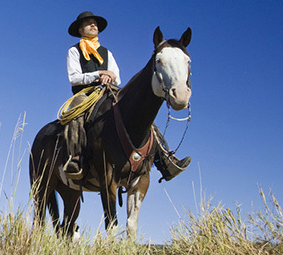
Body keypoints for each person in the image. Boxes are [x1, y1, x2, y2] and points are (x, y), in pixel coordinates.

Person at [64, 11, 190, 180]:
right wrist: (98, 74)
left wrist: (110, 77)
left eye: (95, 23)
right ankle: (76, 157)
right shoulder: (74, 51)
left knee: (141, 115)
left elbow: (117, 76)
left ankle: (165, 160)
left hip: (108, 91)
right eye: (88, 23)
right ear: (80, 30)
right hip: (84, 94)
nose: (93, 25)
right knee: (75, 115)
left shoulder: (106, 52)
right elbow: (74, 78)